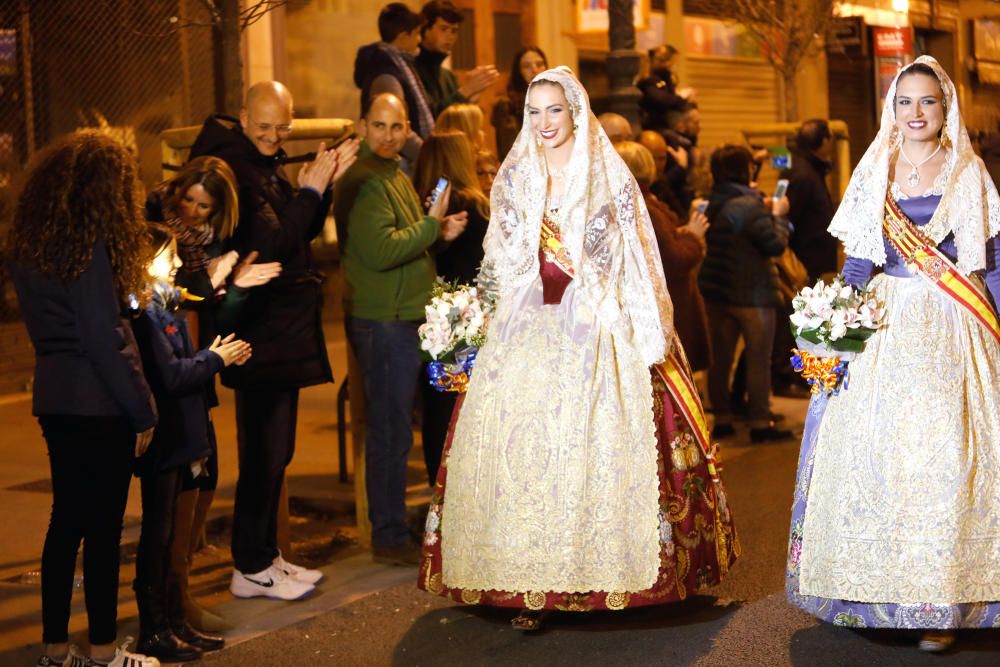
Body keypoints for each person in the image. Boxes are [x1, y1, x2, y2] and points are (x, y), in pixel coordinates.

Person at [418, 67, 738, 630]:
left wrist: (643, 330)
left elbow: (638, 260)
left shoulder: (608, 178)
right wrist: (476, 317)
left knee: (593, 447)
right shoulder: (515, 179)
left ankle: (595, 572)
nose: (544, 122)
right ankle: (528, 584)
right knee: (524, 455)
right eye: (534, 111)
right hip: (528, 328)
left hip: (597, 323)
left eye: (554, 111)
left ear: (575, 112)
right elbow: (498, 263)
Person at [786, 57, 1000, 653]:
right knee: (881, 461)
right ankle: (878, 588)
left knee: (947, 461)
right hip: (885, 325)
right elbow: (858, 262)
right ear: (892, 109)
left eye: (927, 101)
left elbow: (992, 259)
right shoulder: (873, 168)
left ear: (945, 107)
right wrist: (835, 326)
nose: (916, 112)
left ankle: (943, 601)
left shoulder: (967, 170)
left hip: (954, 324)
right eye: (905, 101)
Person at [188, 81, 360, 601]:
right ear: (243, 118)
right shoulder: (237, 170)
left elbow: (296, 231)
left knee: (277, 451)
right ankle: (251, 564)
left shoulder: (262, 165)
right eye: (263, 126)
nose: (273, 135)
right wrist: (310, 190)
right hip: (257, 332)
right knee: (263, 453)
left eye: (282, 126)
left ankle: (266, 556)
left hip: (279, 329)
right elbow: (274, 245)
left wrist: (319, 188)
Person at [7, 131, 159, 667]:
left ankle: (55, 650)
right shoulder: (90, 246)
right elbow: (105, 337)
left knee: (65, 522)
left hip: (54, 397)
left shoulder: (32, 245)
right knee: (102, 530)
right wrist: (143, 409)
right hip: (100, 403)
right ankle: (101, 653)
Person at [145, 155, 281, 632]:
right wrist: (218, 284)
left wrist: (232, 287)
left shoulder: (204, 246)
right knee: (180, 490)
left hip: (198, 368)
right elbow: (171, 305)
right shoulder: (159, 239)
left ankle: (175, 597)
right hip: (175, 377)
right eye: (189, 200)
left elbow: (210, 310)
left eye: (206, 206)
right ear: (176, 192)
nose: (195, 212)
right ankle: (169, 603)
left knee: (202, 480)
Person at [334, 93, 468, 565]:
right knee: (390, 431)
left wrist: (437, 230)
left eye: (396, 127)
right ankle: (388, 534)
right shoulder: (365, 180)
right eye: (379, 126)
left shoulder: (392, 172)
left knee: (399, 428)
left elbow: (407, 237)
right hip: (384, 321)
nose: (388, 136)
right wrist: (432, 227)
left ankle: (394, 528)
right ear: (362, 126)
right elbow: (383, 250)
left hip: (404, 316)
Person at [131, 225, 250, 662]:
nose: (178, 264)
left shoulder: (165, 306)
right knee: (158, 531)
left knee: (167, 532)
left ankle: (173, 622)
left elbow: (182, 366)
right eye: (169, 257)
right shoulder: (147, 311)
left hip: (182, 433)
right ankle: (155, 627)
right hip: (167, 435)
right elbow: (172, 375)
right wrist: (214, 358)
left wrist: (212, 354)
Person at [412, 130, 490, 485]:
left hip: (437, 311)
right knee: (463, 406)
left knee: (438, 404)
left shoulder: (428, 199)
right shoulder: (469, 202)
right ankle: (458, 487)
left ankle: (436, 481)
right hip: (466, 312)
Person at [699, 145, 792, 443]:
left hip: (717, 293)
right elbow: (775, 245)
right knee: (758, 359)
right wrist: (779, 216)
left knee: (721, 360)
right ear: (745, 170)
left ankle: (723, 419)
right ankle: (759, 422)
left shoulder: (707, 203)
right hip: (753, 295)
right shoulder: (750, 206)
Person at [616, 140, 711, 373]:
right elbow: (673, 260)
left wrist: (679, 234)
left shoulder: (629, 203)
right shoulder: (644, 208)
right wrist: (693, 238)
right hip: (666, 310)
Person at [353, 3, 436, 170]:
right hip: (400, 163)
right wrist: (430, 156)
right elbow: (396, 123)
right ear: (403, 36)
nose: (420, 40)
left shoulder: (400, 64)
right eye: (417, 34)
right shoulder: (386, 73)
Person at [415, 0, 499, 117]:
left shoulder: (449, 77)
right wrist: (466, 90)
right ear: (426, 29)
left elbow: (458, 122)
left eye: (454, 31)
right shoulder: (411, 70)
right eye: (443, 29)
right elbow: (427, 118)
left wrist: (472, 97)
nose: (450, 36)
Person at [785, 119, 839, 281]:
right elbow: (790, 216)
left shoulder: (806, 167)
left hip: (813, 260)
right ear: (824, 141)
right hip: (809, 262)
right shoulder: (804, 174)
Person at [491, 46, 548, 160]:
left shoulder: (555, 100)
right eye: (527, 66)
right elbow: (511, 153)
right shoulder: (507, 105)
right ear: (518, 72)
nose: (534, 70)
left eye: (539, 64)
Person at [638, 44, 694, 135]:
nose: (675, 66)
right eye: (674, 61)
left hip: (664, 125)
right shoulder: (650, 80)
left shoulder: (665, 78)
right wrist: (681, 97)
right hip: (654, 126)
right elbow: (661, 99)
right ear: (666, 61)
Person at [639, 129, 688, 218]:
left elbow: (681, 216)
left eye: (662, 159)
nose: (657, 165)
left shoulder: (661, 182)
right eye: (651, 157)